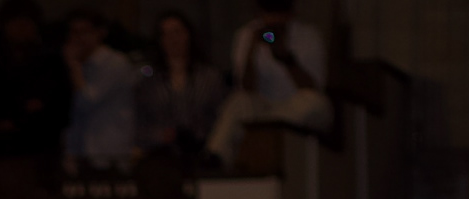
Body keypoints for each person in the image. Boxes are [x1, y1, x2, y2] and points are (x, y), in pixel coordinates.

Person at [204, 2, 331, 167]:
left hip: (293, 110)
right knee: (238, 102)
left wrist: (285, 57)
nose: (274, 26)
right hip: (261, 107)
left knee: (316, 104)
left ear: (290, 15)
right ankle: (215, 157)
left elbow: (313, 88)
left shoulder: (308, 37)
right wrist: (251, 50)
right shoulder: (246, 35)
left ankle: (269, 127)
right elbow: (246, 88)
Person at [0, 0, 71, 170]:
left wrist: (38, 112)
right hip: (1, 148)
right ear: (5, 26)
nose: (21, 29)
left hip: (43, 145)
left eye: (27, 23)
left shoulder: (50, 61)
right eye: (16, 23)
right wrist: (0, 121)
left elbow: (61, 103)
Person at [134, 12, 224, 166]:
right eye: (166, 34)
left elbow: (220, 116)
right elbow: (139, 123)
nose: (173, 40)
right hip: (161, 156)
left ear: (188, 35)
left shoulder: (210, 77)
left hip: (203, 153)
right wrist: (160, 135)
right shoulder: (148, 82)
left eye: (177, 32)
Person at [62, 8, 137, 161]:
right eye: (74, 32)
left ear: (100, 33)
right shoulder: (80, 64)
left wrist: (74, 66)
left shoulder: (114, 63)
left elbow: (87, 102)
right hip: (83, 151)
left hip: (109, 153)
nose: (78, 38)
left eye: (84, 32)